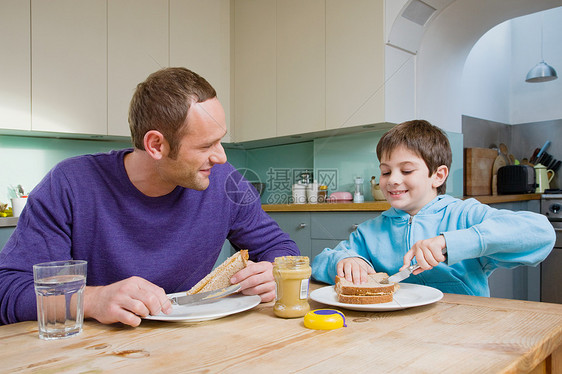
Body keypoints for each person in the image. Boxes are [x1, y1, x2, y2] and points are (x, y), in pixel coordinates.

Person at [0, 67, 299, 326]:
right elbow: (8, 289)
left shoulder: (225, 182)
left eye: (220, 140)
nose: (221, 157)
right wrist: (93, 299)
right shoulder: (69, 184)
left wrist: (274, 271)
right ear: (156, 145)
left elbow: (281, 247)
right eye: (207, 145)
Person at [312, 120, 555, 296]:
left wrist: (450, 243)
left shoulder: (464, 215)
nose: (392, 179)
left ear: (438, 175)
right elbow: (320, 263)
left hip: (463, 326)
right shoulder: (370, 231)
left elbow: (540, 233)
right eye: (385, 171)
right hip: (394, 329)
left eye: (406, 170)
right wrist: (345, 260)